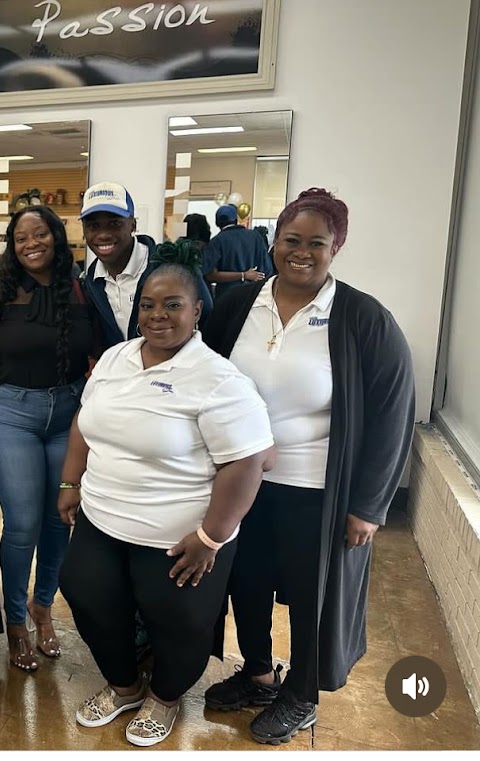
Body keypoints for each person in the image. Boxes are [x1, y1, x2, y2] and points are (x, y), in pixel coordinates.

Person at [201, 188, 415, 744]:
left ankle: (301, 693)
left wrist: (370, 506)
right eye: (291, 240)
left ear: (335, 247)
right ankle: (257, 674)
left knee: (310, 594)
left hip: (318, 488)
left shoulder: (362, 317)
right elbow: (204, 378)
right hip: (243, 483)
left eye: (316, 243)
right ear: (274, 243)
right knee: (246, 582)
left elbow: (394, 412)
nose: (302, 252)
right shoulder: (239, 306)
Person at [58, 263, 274, 747]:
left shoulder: (218, 378)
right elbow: (83, 422)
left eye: (173, 305)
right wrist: (70, 482)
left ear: (196, 311)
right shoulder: (115, 359)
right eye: (148, 305)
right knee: (87, 596)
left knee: (179, 622)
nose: (158, 315)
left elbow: (249, 462)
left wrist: (210, 537)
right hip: (102, 519)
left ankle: (165, 697)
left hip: (180, 537)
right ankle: (125, 687)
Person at [0, 205, 95, 672]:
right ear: (11, 246)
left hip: (68, 416)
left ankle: (43, 607)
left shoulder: (80, 289)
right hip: (11, 415)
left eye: (40, 234)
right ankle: (15, 620)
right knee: (21, 524)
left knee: (60, 519)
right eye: (21, 238)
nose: (31, 244)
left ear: (57, 237)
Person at [79, 182, 213, 352]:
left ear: (133, 225)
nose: (103, 234)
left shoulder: (171, 266)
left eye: (114, 224)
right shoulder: (91, 281)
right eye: (93, 226)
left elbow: (207, 317)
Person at [202, 204, 274, 299]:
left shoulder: (216, 241)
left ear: (217, 223)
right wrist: (246, 276)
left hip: (226, 297)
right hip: (253, 295)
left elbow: (211, 275)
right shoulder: (255, 237)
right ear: (236, 219)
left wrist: (242, 275)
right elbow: (267, 270)